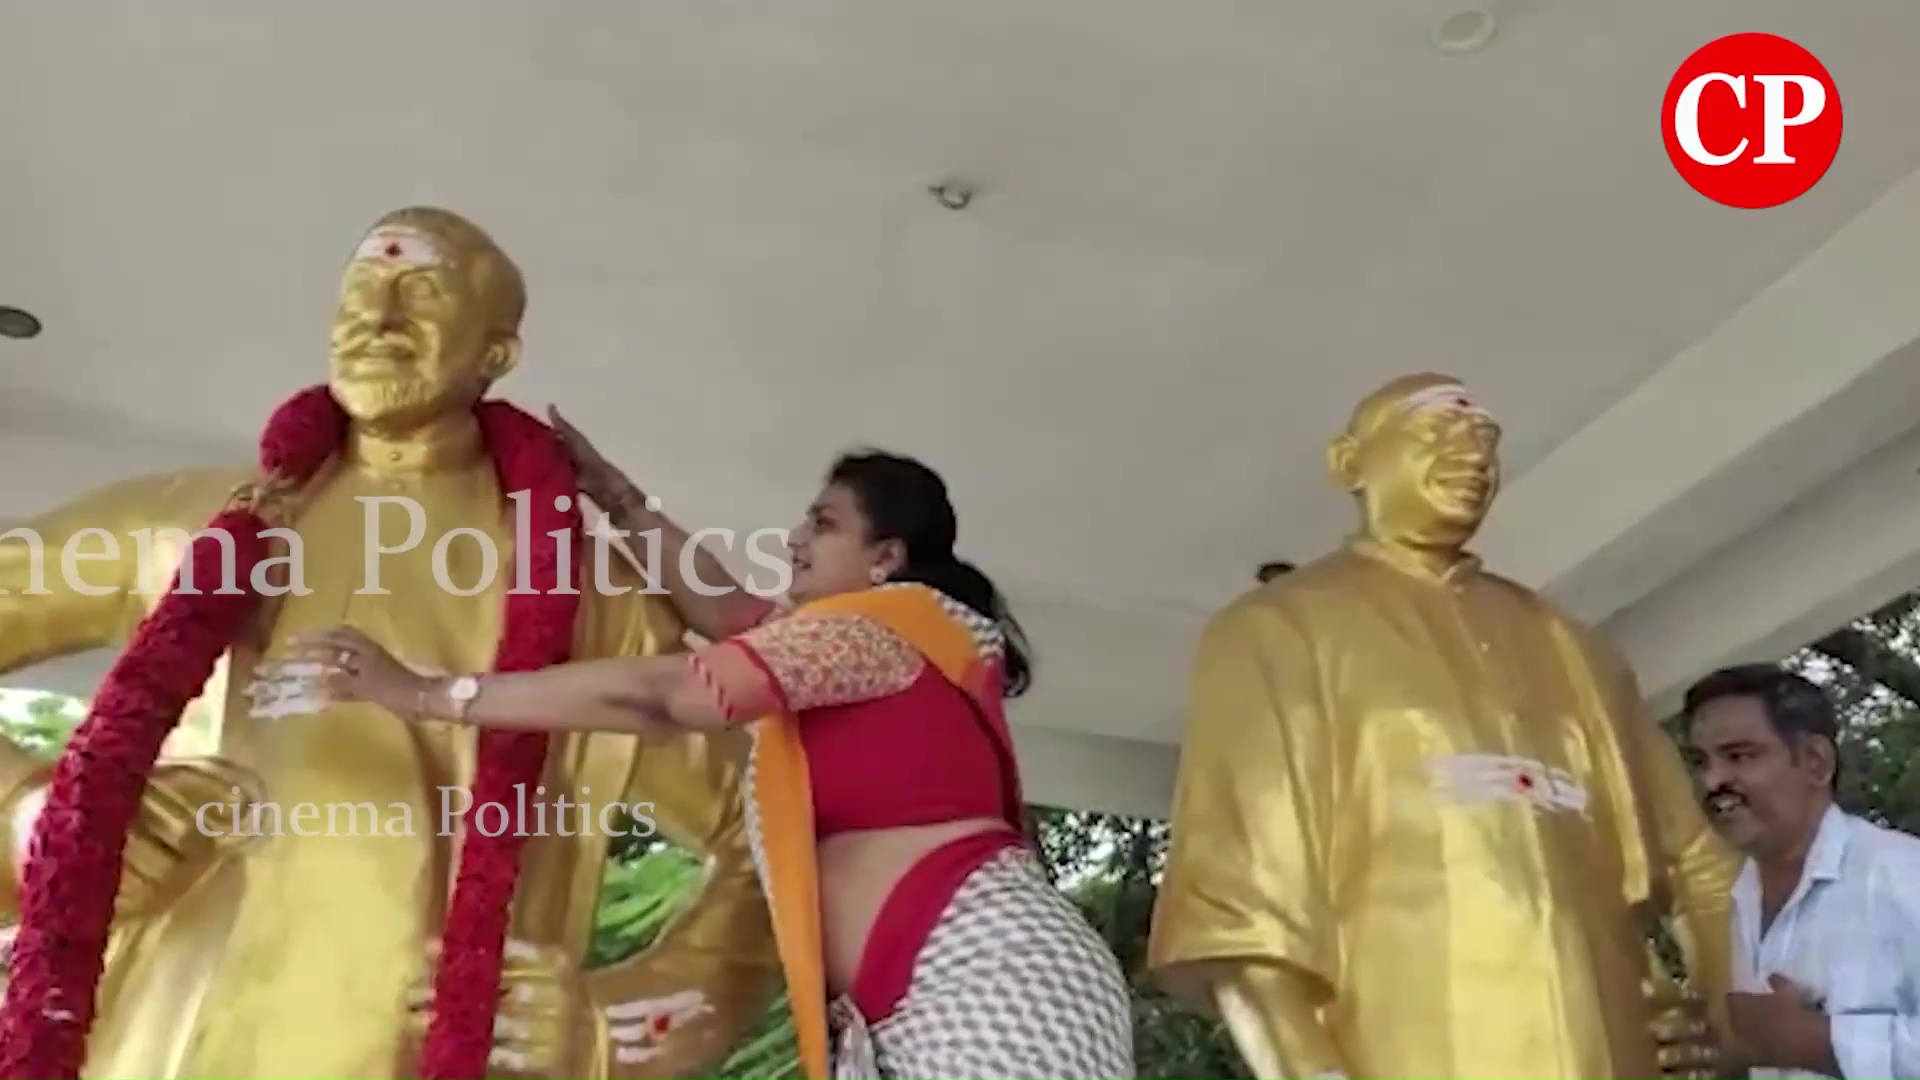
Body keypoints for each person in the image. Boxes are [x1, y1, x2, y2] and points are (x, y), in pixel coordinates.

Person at [0, 207, 778, 1079]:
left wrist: (619, 1026)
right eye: (361, 292)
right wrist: (29, 814)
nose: (380, 319)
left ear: (495, 353)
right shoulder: (185, 524)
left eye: (422, 292)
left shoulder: (593, 602)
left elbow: (771, 823)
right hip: (165, 1038)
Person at [262, 436, 1137, 1080]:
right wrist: (619, 501)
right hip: (911, 1005)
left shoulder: (888, 628)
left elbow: (666, 695)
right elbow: (727, 614)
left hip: (987, 978)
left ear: (887, 558)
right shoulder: (862, 648)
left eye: (823, 523)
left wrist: (425, 694)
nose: (794, 539)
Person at [1145, 372, 1740, 1080]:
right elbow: (1237, 915)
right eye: (1436, 430)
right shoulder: (1276, 630)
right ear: (1349, 462)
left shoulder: (1572, 646)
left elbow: (1702, 865)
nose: (1473, 454)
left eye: (1485, 438)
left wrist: (1730, 1030)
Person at [1681, 663, 1920, 1079]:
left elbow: (1794, 1042)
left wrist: (1821, 1042)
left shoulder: (1902, 874)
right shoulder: (1733, 899)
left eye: (1740, 756)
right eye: (1699, 762)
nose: (1712, 781)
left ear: (1816, 763)